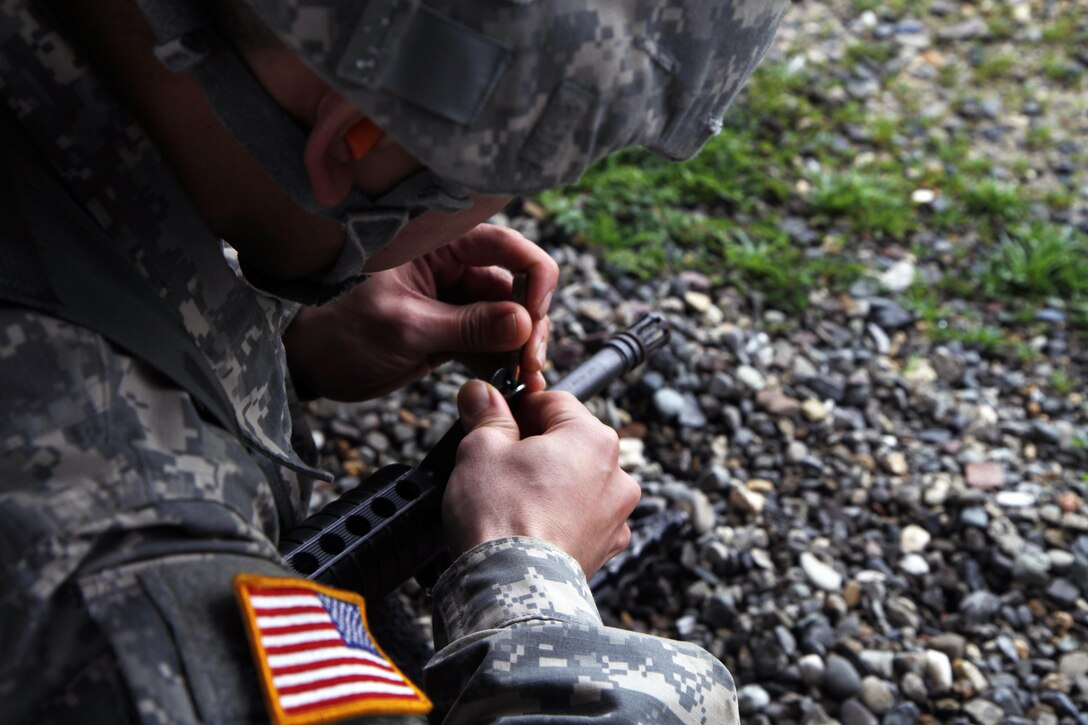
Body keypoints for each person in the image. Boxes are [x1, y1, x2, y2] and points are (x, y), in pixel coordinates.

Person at [0, 0, 786, 722]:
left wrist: (258, 335)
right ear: (350, 140)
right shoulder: (121, 580)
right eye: (508, 181)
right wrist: (527, 580)